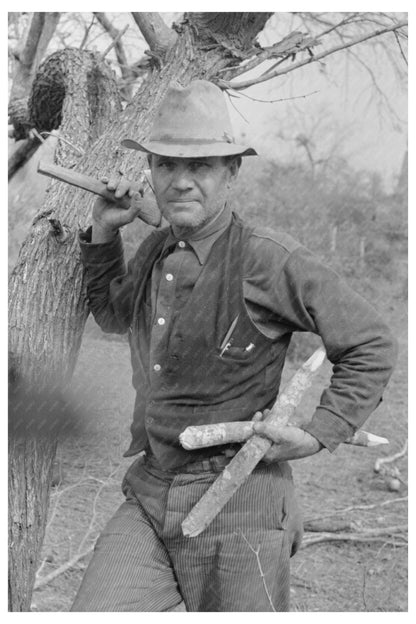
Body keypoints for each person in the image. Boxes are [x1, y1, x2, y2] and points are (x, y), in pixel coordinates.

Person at [71, 80, 397, 612]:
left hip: (240, 497)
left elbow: (371, 343)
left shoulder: (269, 259)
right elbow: (112, 317)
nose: (180, 182)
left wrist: (318, 433)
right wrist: (105, 232)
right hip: (150, 490)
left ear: (231, 173)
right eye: (165, 166)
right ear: (149, 172)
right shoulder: (157, 248)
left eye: (199, 166)